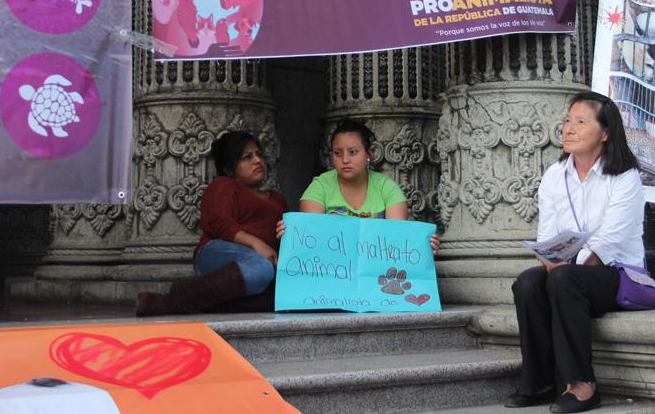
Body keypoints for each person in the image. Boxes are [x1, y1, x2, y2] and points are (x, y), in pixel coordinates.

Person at [505, 91, 645, 413]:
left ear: (605, 133)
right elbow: (547, 235)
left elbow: (608, 241)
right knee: (527, 282)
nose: (569, 128)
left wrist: (564, 268)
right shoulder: (555, 176)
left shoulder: (625, 177)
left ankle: (582, 383)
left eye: (581, 122)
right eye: (568, 120)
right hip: (569, 275)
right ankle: (538, 383)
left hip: (619, 274)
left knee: (564, 279)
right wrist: (550, 261)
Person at [136, 131, 287, 316]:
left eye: (259, 154)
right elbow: (219, 224)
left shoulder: (277, 199)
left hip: (263, 266)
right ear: (229, 168)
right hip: (217, 253)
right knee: (261, 268)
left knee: (286, 292)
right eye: (247, 157)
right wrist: (257, 245)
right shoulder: (224, 185)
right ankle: (170, 302)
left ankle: (207, 302)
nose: (257, 161)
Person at [277, 118, 439, 252]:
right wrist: (292, 233)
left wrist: (422, 246)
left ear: (369, 154)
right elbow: (311, 238)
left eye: (353, 152)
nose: (345, 159)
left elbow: (397, 238)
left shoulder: (387, 187)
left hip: (375, 273)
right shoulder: (320, 186)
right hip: (333, 272)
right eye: (337, 153)